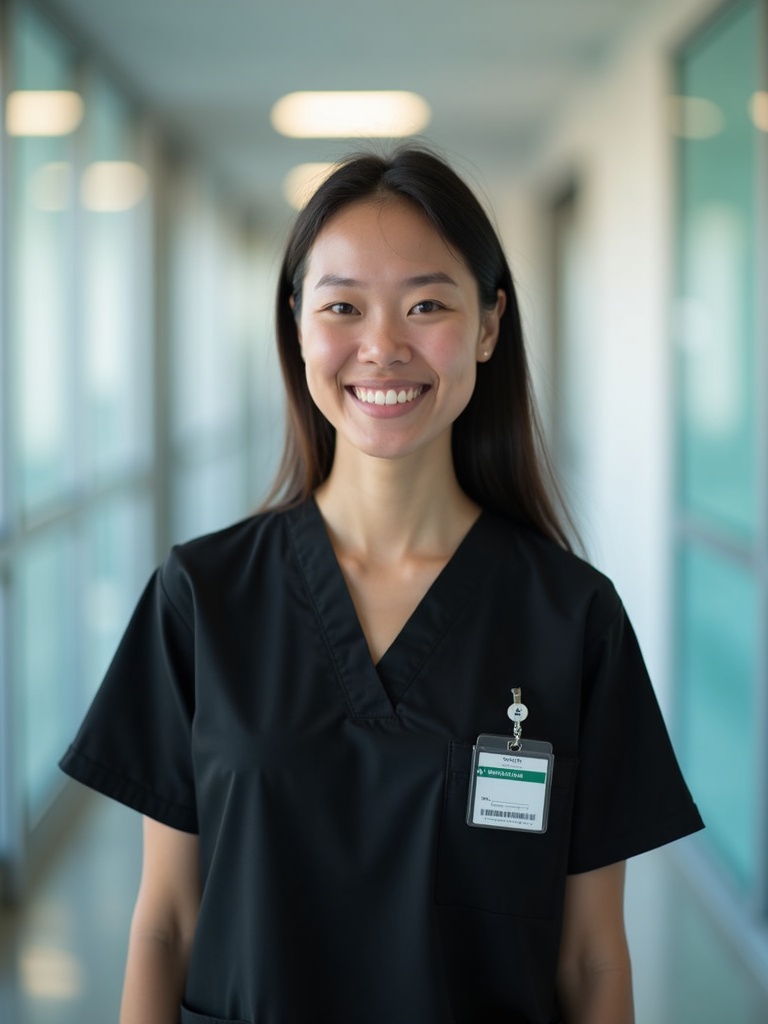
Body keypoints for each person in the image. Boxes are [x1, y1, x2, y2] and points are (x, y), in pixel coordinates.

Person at [61, 146, 704, 1024]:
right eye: (342, 307)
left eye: (427, 304)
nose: (383, 346)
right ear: (297, 326)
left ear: (488, 325)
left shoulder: (570, 618)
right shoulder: (203, 598)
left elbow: (592, 959)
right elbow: (165, 926)